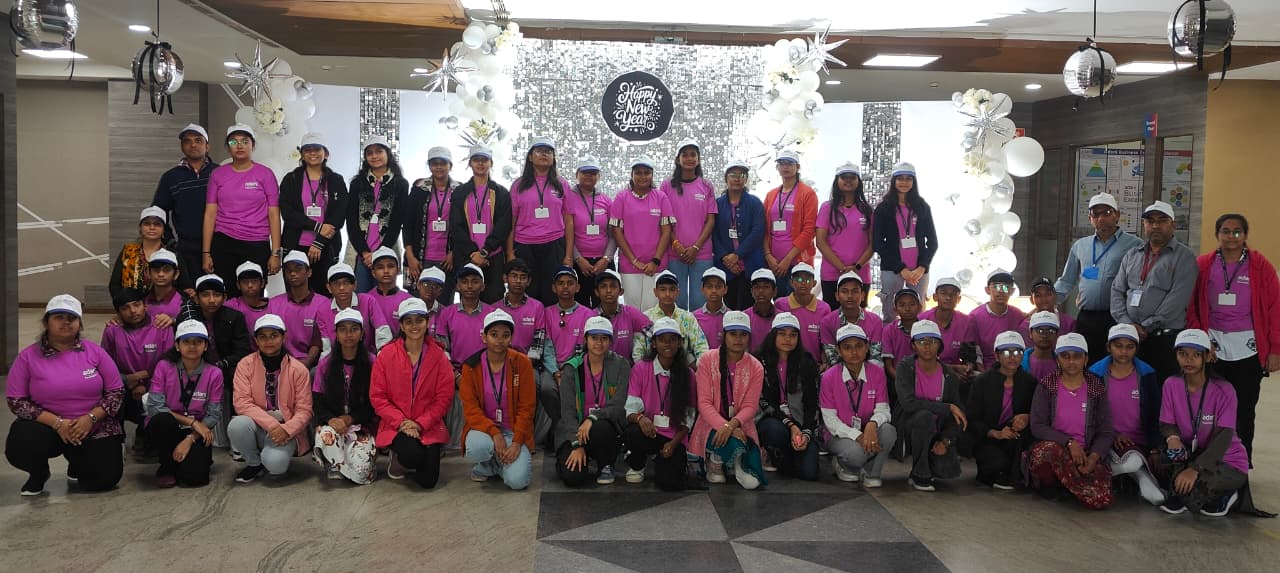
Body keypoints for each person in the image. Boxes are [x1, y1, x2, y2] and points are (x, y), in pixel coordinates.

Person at [5, 295, 125, 495]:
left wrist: (90, 418)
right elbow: (16, 401)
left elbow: (116, 391)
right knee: (22, 444)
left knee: (103, 480)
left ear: (80, 323)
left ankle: (77, 463)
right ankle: (39, 472)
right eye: (59, 317)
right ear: (46, 322)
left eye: (72, 318)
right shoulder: (27, 357)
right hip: (48, 426)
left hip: (93, 425)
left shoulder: (95, 352)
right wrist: (58, 423)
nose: (66, 322)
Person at [1187, 213, 1280, 463]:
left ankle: (1240, 463)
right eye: (1225, 231)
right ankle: (1209, 463)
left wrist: (1275, 349)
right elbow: (1192, 306)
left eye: (1237, 231)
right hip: (1213, 346)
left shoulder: (1261, 266)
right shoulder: (1203, 264)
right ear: (1217, 235)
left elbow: (1275, 308)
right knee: (1210, 408)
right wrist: (1200, 341)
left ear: (1245, 235)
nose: (1231, 236)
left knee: (1244, 408)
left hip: (1248, 347)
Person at [1156, 329, 1250, 516]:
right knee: (1162, 467)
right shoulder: (1171, 384)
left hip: (1225, 459)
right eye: (1183, 354)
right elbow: (1167, 423)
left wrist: (1195, 469)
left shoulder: (1224, 390)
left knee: (1191, 493)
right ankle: (1188, 490)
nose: (1189, 360)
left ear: (1207, 357)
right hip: (1191, 453)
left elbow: (1224, 437)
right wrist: (1172, 438)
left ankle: (1228, 494)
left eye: (1196, 354)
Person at [1110, 200, 1198, 380]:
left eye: (1162, 221)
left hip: (1163, 340)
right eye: (1150, 221)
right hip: (1130, 339)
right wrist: (1127, 324)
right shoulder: (1132, 254)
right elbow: (1117, 291)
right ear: (1144, 225)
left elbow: (1176, 301)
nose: (1155, 226)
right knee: (1132, 389)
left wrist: (1146, 327)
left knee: (1162, 390)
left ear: (1173, 225)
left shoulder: (1185, 257)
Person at [371, 299, 454, 488]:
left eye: (419, 320)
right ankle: (398, 455)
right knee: (412, 455)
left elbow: (444, 398)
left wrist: (420, 423)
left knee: (428, 481)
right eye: (408, 321)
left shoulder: (440, 356)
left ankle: (420, 451)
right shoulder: (386, 355)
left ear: (427, 322)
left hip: (428, 424)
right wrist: (402, 423)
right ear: (401, 325)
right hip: (396, 424)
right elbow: (378, 397)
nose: (414, 326)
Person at [1054, 192, 1143, 364]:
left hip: (1117, 318)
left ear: (1117, 215)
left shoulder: (1134, 244)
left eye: (1107, 213)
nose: (1101, 218)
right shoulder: (1080, 245)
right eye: (1096, 214)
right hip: (1086, 317)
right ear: (1090, 218)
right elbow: (1066, 281)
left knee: (1115, 366)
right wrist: (1048, 303)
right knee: (1084, 365)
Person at [1027, 333, 1114, 509]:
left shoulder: (1096, 388)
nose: (1071, 362)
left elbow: (1105, 431)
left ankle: (1070, 484)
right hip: (1057, 450)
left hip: (1085, 453)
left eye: (1077, 356)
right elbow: (1037, 426)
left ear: (1086, 359)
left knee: (1100, 498)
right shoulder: (1047, 385)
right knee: (1048, 452)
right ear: (1057, 359)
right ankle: (1058, 485)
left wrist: (1093, 457)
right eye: (1065, 356)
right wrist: (1069, 442)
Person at [228, 314, 313, 483]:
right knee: (237, 425)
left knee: (276, 465)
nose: (268, 341)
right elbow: (242, 403)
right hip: (258, 426)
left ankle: (270, 455)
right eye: (263, 337)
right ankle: (254, 463)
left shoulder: (298, 370)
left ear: (284, 337)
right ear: (256, 340)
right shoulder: (245, 365)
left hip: (287, 430)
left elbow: (305, 411)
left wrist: (286, 429)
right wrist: (273, 425)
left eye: (274, 335)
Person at [459, 309, 537, 490]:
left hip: (513, 431)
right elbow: (471, 409)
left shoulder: (522, 363)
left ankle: (495, 465)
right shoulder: (471, 366)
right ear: (484, 337)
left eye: (505, 335)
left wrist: (517, 442)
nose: (500, 340)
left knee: (518, 482)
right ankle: (489, 460)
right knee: (478, 447)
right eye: (494, 334)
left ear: (511, 338)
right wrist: (494, 433)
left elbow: (527, 407)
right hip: (484, 431)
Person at [1088, 324, 1164, 505]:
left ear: (1137, 349)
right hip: (1106, 436)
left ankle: (1105, 474)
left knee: (1136, 461)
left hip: (1138, 439)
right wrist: (1113, 434)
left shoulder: (1146, 374)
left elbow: (1155, 413)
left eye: (1129, 347)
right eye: (1118, 346)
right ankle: (1139, 477)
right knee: (1132, 462)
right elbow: (1090, 412)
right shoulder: (1095, 374)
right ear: (1109, 347)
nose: (1124, 351)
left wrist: (1155, 447)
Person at [202, 123, 281, 296]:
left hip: (256, 243)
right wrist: (206, 252)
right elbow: (210, 215)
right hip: (224, 242)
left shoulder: (265, 174)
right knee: (226, 295)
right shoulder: (217, 174)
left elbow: (274, 215)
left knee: (254, 295)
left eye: (245, 141)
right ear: (227, 147)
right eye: (233, 142)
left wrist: (276, 253)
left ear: (253, 146)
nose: (239, 146)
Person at [690, 311, 765, 489]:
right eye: (733, 334)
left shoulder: (756, 366)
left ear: (749, 337)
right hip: (710, 423)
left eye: (743, 334)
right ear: (723, 335)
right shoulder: (707, 360)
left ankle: (733, 461)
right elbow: (704, 403)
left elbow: (750, 406)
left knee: (753, 481)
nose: (738, 339)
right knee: (728, 440)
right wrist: (724, 426)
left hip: (741, 423)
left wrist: (731, 426)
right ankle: (715, 461)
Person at [623, 317, 699, 490]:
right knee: (633, 432)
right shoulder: (640, 369)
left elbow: (689, 418)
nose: (667, 344)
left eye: (672, 339)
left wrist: (673, 444)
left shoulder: (688, 375)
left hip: (673, 436)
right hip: (649, 431)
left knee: (668, 483)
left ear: (679, 343)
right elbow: (631, 409)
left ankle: (662, 460)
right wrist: (640, 419)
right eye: (662, 339)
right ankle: (638, 463)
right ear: (654, 344)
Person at [145, 321, 222, 488]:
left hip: (196, 432)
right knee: (162, 420)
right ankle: (166, 467)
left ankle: (188, 462)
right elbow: (155, 407)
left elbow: (213, 414)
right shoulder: (164, 367)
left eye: (198, 342)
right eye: (186, 341)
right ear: (177, 345)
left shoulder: (214, 373)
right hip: (169, 426)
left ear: (205, 346)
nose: (192, 346)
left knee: (195, 479)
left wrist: (190, 438)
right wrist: (192, 422)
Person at [555, 316, 631, 486]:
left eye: (604, 338)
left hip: (605, 429)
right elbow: (567, 412)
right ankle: (578, 456)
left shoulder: (621, 365)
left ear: (611, 341)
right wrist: (577, 445)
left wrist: (593, 417)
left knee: (600, 427)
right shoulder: (572, 368)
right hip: (576, 430)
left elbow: (619, 405)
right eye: (594, 337)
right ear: (585, 339)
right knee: (573, 478)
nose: (599, 343)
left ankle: (606, 464)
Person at [894, 320, 966, 492]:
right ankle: (920, 474)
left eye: (932, 341)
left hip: (936, 431)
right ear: (913, 345)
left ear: (940, 345)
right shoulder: (905, 367)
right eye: (921, 341)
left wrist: (945, 440)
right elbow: (909, 404)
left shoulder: (948, 375)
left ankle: (927, 462)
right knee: (924, 416)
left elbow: (958, 414)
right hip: (908, 428)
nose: (927, 346)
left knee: (948, 470)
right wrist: (946, 407)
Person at [821, 324, 897, 487]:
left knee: (888, 432)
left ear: (867, 347)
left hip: (868, 429)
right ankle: (844, 465)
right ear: (839, 350)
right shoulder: (828, 377)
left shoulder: (877, 372)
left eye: (859, 346)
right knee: (856, 453)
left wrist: (872, 424)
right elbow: (831, 421)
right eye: (847, 347)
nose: (854, 352)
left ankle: (872, 472)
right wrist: (858, 436)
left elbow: (883, 409)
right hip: (839, 434)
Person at [99, 288, 171, 454]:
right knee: (106, 393)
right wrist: (127, 380)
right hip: (124, 385)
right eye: (125, 308)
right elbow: (105, 366)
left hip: (156, 385)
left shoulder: (161, 326)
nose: (132, 311)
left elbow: (168, 364)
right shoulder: (112, 330)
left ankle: (145, 434)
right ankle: (116, 440)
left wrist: (145, 384)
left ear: (145, 305)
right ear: (118, 313)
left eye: (136, 305)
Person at [183, 274, 251, 447]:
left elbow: (242, 350)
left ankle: (238, 437)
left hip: (226, 367)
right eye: (205, 295)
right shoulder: (187, 318)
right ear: (197, 298)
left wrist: (221, 364)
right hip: (196, 366)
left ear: (224, 297)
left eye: (217, 295)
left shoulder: (235, 317)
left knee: (238, 374)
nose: (212, 300)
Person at [312, 309, 378, 484]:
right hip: (334, 425)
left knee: (362, 474)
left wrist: (351, 418)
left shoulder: (373, 362)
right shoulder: (325, 364)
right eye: (343, 329)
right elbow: (318, 402)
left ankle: (343, 461)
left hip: (362, 425)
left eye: (354, 329)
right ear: (337, 334)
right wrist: (331, 419)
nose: (348, 334)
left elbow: (376, 403)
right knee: (326, 435)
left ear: (362, 333)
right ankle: (335, 462)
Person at [279, 133, 348, 297]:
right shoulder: (291, 179)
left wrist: (319, 242)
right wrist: (316, 226)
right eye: (307, 150)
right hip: (295, 245)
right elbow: (288, 213)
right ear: (302, 154)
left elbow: (339, 215)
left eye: (317, 149)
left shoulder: (336, 180)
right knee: (296, 295)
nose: (312, 153)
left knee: (324, 295)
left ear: (326, 153)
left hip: (326, 247)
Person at [508, 137, 573, 306]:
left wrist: (568, 255)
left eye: (548, 152)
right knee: (527, 295)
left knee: (552, 294)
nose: (544, 154)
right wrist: (510, 254)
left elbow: (569, 221)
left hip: (554, 245)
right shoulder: (518, 185)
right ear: (530, 157)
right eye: (539, 151)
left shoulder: (562, 184)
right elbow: (511, 222)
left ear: (553, 158)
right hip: (525, 246)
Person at [966, 331, 1035, 490]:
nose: (1012, 357)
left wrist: (1027, 417)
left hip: (1015, 437)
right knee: (996, 463)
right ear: (997, 355)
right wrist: (994, 433)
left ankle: (1014, 475)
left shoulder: (1029, 382)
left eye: (1017, 352)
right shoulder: (982, 381)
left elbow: (1038, 412)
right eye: (1006, 352)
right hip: (988, 437)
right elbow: (972, 417)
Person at [756, 312, 820, 480]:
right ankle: (771, 451)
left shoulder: (806, 362)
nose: (787, 339)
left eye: (793, 335)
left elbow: (812, 403)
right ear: (773, 335)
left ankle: (787, 456)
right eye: (782, 333)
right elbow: (764, 402)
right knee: (774, 431)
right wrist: (791, 426)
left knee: (809, 473)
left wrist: (806, 433)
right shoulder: (760, 361)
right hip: (773, 420)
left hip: (800, 423)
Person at [537, 267, 596, 446]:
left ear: (578, 287)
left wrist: (568, 370)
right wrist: (556, 372)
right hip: (552, 367)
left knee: (575, 389)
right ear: (554, 288)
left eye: (570, 283)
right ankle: (560, 426)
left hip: (578, 366)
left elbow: (586, 348)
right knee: (547, 389)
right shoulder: (546, 313)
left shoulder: (588, 314)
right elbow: (546, 347)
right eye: (561, 283)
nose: (565, 287)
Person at [872, 162, 937, 321]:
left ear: (913, 182)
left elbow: (933, 242)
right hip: (892, 268)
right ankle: (890, 336)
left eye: (908, 179)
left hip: (918, 271)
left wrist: (922, 267)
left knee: (918, 311)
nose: (904, 182)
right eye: (900, 178)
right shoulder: (883, 208)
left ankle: (917, 336)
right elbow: (878, 243)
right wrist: (901, 269)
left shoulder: (922, 207)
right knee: (889, 311)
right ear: (893, 181)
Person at [449, 145, 512, 304]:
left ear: (491, 163)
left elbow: (503, 226)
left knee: (494, 302)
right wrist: (473, 252)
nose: (480, 163)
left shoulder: (501, 193)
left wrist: (484, 252)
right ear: (470, 163)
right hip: (467, 256)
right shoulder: (460, 192)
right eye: (476, 160)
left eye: (484, 160)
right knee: (469, 303)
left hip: (493, 256)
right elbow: (456, 226)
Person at [346, 136, 409, 293]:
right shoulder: (357, 183)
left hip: (387, 249)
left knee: (385, 296)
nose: (374, 156)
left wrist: (379, 253)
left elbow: (396, 222)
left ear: (388, 154)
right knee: (360, 297)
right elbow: (351, 221)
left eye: (379, 151)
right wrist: (365, 253)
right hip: (360, 252)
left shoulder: (400, 184)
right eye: (370, 153)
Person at [661, 139, 719, 310]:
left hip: (702, 253)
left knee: (699, 302)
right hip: (674, 253)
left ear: (698, 159)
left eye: (693, 155)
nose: (689, 158)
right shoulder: (666, 186)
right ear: (677, 159)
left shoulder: (706, 186)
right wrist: (676, 244)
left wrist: (696, 247)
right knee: (675, 302)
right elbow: (664, 220)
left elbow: (711, 220)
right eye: (685, 155)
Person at [611, 157, 675, 311]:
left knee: (652, 309)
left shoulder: (661, 197)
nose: (642, 176)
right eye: (638, 173)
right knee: (632, 310)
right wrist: (634, 261)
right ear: (632, 175)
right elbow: (617, 232)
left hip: (656, 266)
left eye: (647, 173)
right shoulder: (621, 198)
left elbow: (666, 231)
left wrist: (655, 261)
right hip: (629, 265)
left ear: (652, 175)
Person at [152, 124, 214, 276]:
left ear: (207, 146)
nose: (193, 145)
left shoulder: (219, 173)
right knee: (189, 289)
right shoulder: (171, 177)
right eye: (187, 141)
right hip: (187, 247)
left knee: (218, 289)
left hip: (219, 244)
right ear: (182, 147)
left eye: (198, 140)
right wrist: (170, 241)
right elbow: (158, 212)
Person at [404, 146, 460, 304]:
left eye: (443, 163)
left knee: (443, 305)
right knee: (415, 305)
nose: (439, 167)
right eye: (435, 163)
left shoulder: (460, 190)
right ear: (429, 166)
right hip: (418, 260)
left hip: (447, 262)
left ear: (450, 165)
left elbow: (462, 227)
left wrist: (454, 253)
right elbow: (407, 224)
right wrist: (410, 257)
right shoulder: (419, 188)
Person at [816, 162, 874, 309]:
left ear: (858, 181)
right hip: (832, 274)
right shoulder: (827, 208)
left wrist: (857, 267)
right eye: (844, 177)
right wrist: (842, 268)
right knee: (833, 317)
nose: (848, 181)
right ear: (837, 181)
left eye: (852, 177)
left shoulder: (867, 210)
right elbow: (820, 241)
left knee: (859, 318)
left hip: (860, 273)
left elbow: (873, 244)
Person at [763, 151, 819, 298]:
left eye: (789, 163)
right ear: (777, 167)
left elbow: (809, 230)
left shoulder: (808, 194)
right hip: (774, 263)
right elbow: (764, 229)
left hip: (798, 263)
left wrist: (787, 260)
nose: (785, 167)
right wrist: (768, 256)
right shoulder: (771, 195)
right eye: (781, 164)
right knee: (778, 304)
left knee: (798, 304)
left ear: (797, 167)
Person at [713, 159, 766, 311]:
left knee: (749, 307)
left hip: (750, 262)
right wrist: (726, 258)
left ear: (746, 179)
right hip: (725, 265)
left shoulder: (755, 203)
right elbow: (713, 233)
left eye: (741, 175)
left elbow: (758, 232)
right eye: (733, 175)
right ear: (726, 178)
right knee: (728, 307)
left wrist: (737, 255)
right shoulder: (717, 203)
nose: (737, 178)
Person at [110, 206, 192, 300]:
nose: (152, 227)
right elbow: (114, 285)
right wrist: (124, 304)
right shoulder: (128, 252)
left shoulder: (172, 254)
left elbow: (185, 287)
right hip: (132, 306)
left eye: (157, 224)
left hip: (166, 307)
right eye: (147, 224)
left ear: (164, 229)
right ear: (140, 228)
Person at [564, 158, 615, 308]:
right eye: (585, 172)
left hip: (603, 262)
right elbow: (565, 232)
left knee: (606, 306)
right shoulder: (568, 197)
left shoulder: (606, 200)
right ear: (577, 174)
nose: (589, 176)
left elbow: (614, 234)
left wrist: (606, 259)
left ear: (599, 176)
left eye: (593, 173)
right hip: (579, 263)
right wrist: (578, 259)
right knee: (580, 307)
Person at [267, 250, 328, 369]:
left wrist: (307, 363)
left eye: (298, 269)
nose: (293, 273)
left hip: (311, 364)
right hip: (280, 363)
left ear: (309, 272)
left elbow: (320, 340)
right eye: (288, 270)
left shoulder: (323, 303)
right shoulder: (274, 303)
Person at [634, 270, 711, 363]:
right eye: (663, 289)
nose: (667, 294)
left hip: (682, 368)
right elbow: (638, 352)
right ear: (655, 292)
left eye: (672, 289)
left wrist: (700, 368)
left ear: (678, 292)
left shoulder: (687, 318)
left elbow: (701, 347)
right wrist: (645, 370)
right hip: (652, 369)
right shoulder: (645, 318)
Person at [433, 263, 493, 374]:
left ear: (483, 286)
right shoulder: (446, 313)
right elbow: (442, 349)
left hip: (486, 373)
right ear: (458, 286)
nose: (469, 286)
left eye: (475, 281)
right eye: (464, 282)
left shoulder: (492, 314)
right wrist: (455, 375)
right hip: (456, 373)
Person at [320, 263, 390, 354]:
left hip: (366, 356)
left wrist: (383, 356)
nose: (342, 288)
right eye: (336, 284)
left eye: (346, 283)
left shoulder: (368, 301)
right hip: (337, 358)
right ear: (329, 288)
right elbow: (326, 346)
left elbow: (382, 331)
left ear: (355, 285)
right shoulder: (322, 310)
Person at [821, 272, 885, 369]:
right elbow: (832, 358)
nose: (850, 295)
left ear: (862, 295)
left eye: (855, 291)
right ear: (837, 296)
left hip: (869, 372)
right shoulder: (827, 322)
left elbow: (875, 357)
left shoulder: (875, 321)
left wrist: (862, 375)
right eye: (844, 291)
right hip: (839, 372)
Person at [774, 262, 832, 367]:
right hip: (787, 364)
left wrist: (825, 363)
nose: (803, 283)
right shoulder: (780, 304)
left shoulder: (824, 308)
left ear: (814, 283)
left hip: (815, 364)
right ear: (791, 282)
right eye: (799, 279)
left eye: (808, 280)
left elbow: (825, 340)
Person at [968, 270, 1026, 370]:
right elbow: (975, 351)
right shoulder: (975, 316)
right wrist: (984, 375)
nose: (1001, 291)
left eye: (1006, 287)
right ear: (987, 290)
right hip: (986, 369)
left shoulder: (1017, 315)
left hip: (1013, 367)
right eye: (996, 286)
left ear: (1012, 291)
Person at [594, 269, 651, 362]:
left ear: (621, 291)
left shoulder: (631, 313)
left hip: (627, 368)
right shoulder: (590, 316)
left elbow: (653, 334)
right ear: (597, 292)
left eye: (613, 286)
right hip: (598, 368)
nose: (608, 290)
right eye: (603, 286)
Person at [497, 258, 548, 358]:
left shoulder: (537, 307)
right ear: (505, 278)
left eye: (523, 277)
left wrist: (525, 363)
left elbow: (538, 344)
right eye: (514, 276)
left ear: (529, 281)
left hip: (529, 362)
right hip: (501, 361)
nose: (518, 281)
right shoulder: (494, 308)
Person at [366, 247, 413, 339]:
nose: (386, 271)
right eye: (380, 267)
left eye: (390, 266)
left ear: (398, 270)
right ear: (373, 273)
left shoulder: (409, 301)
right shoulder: (367, 300)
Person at [224, 262, 271, 351]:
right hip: (242, 355)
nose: (250, 285)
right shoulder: (232, 305)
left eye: (254, 281)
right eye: (245, 282)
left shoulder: (274, 306)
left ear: (262, 283)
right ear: (238, 285)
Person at [882, 288, 924, 380]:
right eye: (902, 305)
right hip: (897, 378)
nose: (907, 309)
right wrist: (902, 382)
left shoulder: (926, 328)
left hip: (923, 379)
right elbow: (888, 366)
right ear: (895, 309)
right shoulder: (889, 330)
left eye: (912, 304)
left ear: (919, 307)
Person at [142, 248, 187, 321]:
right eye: (156, 270)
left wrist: (174, 321)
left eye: (166, 270)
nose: (161, 274)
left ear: (176, 274)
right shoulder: (142, 300)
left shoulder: (185, 300)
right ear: (148, 273)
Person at [693, 267, 729, 350]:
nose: (714, 290)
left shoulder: (731, 317)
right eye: (709, 287)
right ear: (702, 290)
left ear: (725, 289)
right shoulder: (694, 318)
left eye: (718, 287)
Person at [1021, 311, 1061, 381]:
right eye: (1040, 330)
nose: (1045, 335)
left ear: (1057, 334)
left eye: (1050, 331)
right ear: (1030, 333)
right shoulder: (1018, 363)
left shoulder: (1064, 365)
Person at [746, 269, 779, 352]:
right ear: (751, 291)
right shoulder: (744, 317)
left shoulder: (782, 318)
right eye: (757, 287)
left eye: (766, 287)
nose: (761, 291)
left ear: (775, 291)